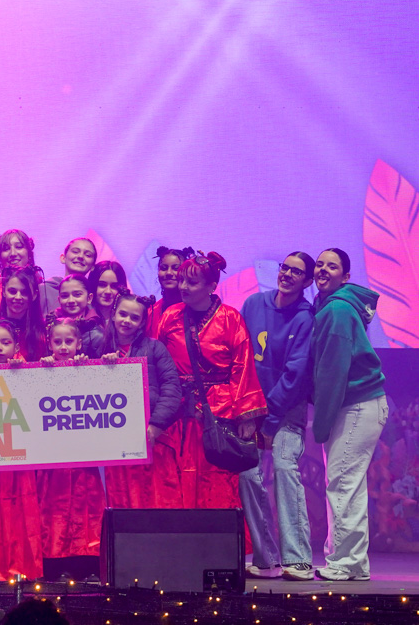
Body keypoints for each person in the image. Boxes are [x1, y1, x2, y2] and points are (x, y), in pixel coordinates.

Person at [157, 252, 266, 513]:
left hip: (219, 411)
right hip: (178, 411)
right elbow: (158, 362)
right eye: (182, 280)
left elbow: (243, 367)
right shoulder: (170, 316)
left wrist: (246, 416)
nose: (183, 286)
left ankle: (220, 536)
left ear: (211, 286)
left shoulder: (231, 318)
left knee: (217, 479)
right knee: (177, 476)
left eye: (192, 282)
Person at [237, 251, 316, 581]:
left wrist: (269, 421)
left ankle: (298, 559)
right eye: (285, 267)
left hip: (286, 409)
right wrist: (246, 409)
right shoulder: (254, 304)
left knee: (284, 468)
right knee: (246, 475)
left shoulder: (305, 317)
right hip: (251, 407)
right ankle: (266, 557)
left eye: (296, 272)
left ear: (307, 281)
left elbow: (295, 374)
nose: (287, 274)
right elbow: (240, 357)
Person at [311, 247, 387, 582]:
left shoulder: (337, 310)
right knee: (348, 484)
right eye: (319, 264)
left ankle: (345, 561)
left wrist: (321, 424)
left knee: (342, 483)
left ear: (346, 276)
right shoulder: (334, 306)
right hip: (360, 405)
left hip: (356, 404)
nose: (323, 270)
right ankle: (352, 562)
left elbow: (333, 371)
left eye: (332, 266)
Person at [0, 321, 44, 580]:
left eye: (5, 343)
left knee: (21, 511)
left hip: (20, 456)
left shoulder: (27, 370)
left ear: (16, 346)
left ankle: (24, 566)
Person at [101, 292, 184, 510]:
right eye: (123, 314)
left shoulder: (155, 348)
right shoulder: (100, 347)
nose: (127, 321)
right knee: (121, 503)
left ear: (142, 322)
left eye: (134, 317)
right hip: (114, 444)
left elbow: (172, 388)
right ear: (113, 314)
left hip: (152, 439)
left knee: (156, 501)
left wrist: (156, 425)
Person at [37, 318, 105, 580]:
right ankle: (56, 563)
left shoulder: (88, 368)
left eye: (69, 341)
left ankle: (86, 564)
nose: (63, 346)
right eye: (58, 341)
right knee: (53, 511)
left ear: (79, 343)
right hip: (52, 459)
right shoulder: (40, 370)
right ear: (49, 344)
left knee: (85, 510)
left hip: (83, 458)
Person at [146, 246, 194, 339]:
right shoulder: (151, 312)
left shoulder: (195, 308)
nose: (168, 273)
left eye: (176, 268)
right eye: (163, 268)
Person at [0, 266, 46, 361]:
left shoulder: (43, 331)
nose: (18, 297)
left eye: (25, 293)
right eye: (12, 291)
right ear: (4, 292)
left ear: (34, 295)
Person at [54, 274, 105, 357]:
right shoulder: (50, 327)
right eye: (65, 296)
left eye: (77, 294)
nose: (71, 300)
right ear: (59, 300)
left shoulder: (97, 336)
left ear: (89, 298)